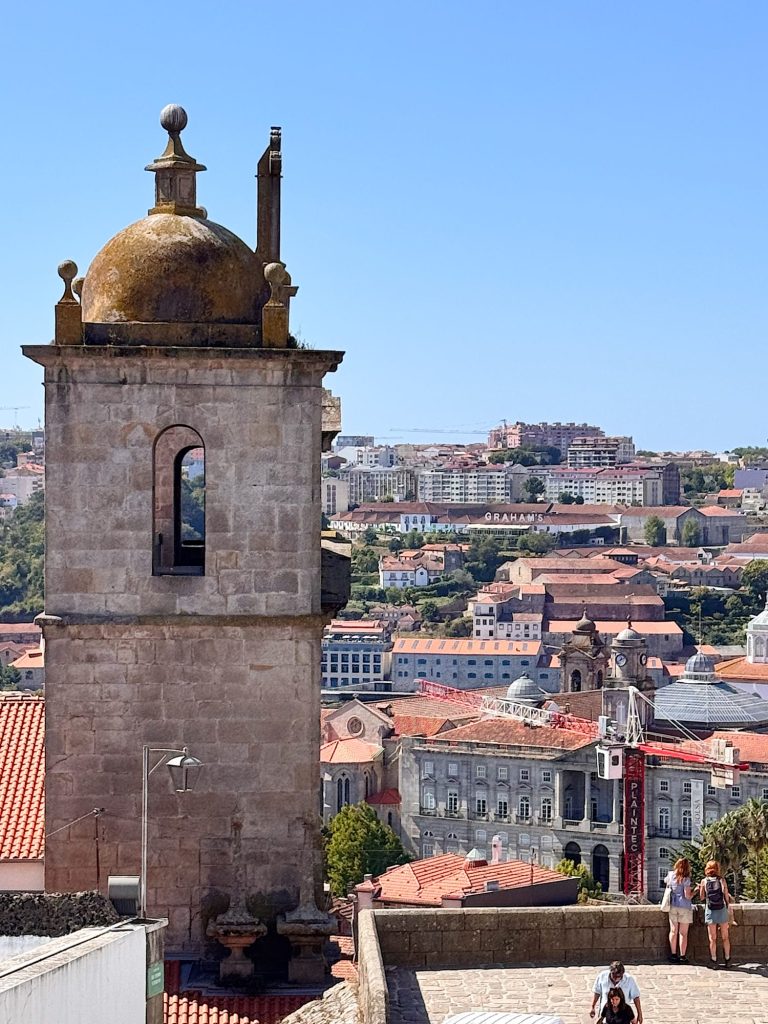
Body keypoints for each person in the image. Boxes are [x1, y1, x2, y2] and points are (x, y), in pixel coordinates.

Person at [698, 859, 731, 967]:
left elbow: (702, 897)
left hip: (711, 910)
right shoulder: (722, 881)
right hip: (721, 909)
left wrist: (700, 888)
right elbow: (726, 897)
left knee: (713, 938)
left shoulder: (704, 881)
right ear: (717, 869)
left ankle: (714, 960)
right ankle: (727, 959)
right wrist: (728, 907)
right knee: (725, 937)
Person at [664, 856, 693, 963]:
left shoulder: (671, 875)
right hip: (684, 907)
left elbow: (666, 882)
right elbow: (687, 896)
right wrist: (695, 891)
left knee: (673, 931)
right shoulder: (686, 879)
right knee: (683, 933)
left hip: (673, 905)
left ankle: (673, 954)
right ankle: (682, 956)